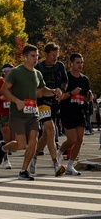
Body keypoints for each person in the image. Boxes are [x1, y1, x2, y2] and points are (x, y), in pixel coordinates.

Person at [0, 45, 64, 180]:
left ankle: (24, 170)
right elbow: (4, 90)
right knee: (21, 144)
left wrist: (53, 91)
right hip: (18, 113)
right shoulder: (16, 72)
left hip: (33, 113)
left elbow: (42, 90)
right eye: (33, 56)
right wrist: (17, 101)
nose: (36, 58)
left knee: (33, 141)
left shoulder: (37, 73)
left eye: (37, 56)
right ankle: (3, 148)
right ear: (25, 57)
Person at [32, 42, 67, 176]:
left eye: (56, 55)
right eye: (52, 55)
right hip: (42, 102)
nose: (55, 58)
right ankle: (55, 163)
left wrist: (62, 91)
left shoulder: (60, 66)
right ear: (46, 54)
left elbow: (64, 81)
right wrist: (36, 91)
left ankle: (34, 157)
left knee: (47, 134)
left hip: (55, 102)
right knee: (51, 129)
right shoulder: (38, 67)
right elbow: (34, 84)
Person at [57, 52, 91, 175]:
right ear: (71, 63)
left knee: (80, 140)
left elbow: (85, 97)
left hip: (80, 111)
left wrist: (88, 98)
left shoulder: (84, 79)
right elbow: (60, 97)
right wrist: (72, 92)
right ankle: (59, 152)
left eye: (81, 62)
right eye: (77, 62)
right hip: (67, 111)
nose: (80, 65)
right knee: (72, 139)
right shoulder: (65, 78)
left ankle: (70, 166)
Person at [0, 68, 14, 169]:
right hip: (0, 111)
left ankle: (0, 148)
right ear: (4, 72)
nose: (10, 72)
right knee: (6, 131)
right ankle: (6, 159)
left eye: (12, 70)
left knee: (12, 137)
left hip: (13, 111)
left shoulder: (15, 82)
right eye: (7, 70)